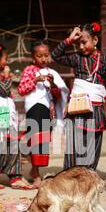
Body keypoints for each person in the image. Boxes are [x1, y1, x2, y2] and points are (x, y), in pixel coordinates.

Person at [51, 22, 106, 171]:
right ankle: (70, 180)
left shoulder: (105, 61)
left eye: (84, 42)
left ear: (95, 40)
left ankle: (88, 179)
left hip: (96, 111)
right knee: (74, 145)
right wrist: (69, 40)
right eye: (77, 43)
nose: (80, 47)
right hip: (77, 109)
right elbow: (55, 56)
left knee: (93, 146)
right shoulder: (77, 58)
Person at [0, 43, 35, 190]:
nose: (7, 62)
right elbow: (4, 90)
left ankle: (15, 177)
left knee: (12, 145)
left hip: (6, 115)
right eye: (5, 58)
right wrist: (7, 76)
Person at [18, 40, 69, 187]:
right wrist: (35, 79)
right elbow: (22, 89)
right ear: (34, 57)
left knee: (43, 141)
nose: (43, 59)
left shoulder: (52, 73)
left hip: (48, 110)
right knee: (35, 139)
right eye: (39, 56)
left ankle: (35, 170)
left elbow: (59, 94)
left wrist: (53, 84)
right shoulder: (29, 70)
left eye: (46, 55)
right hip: (34, 109)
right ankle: (35, 173)